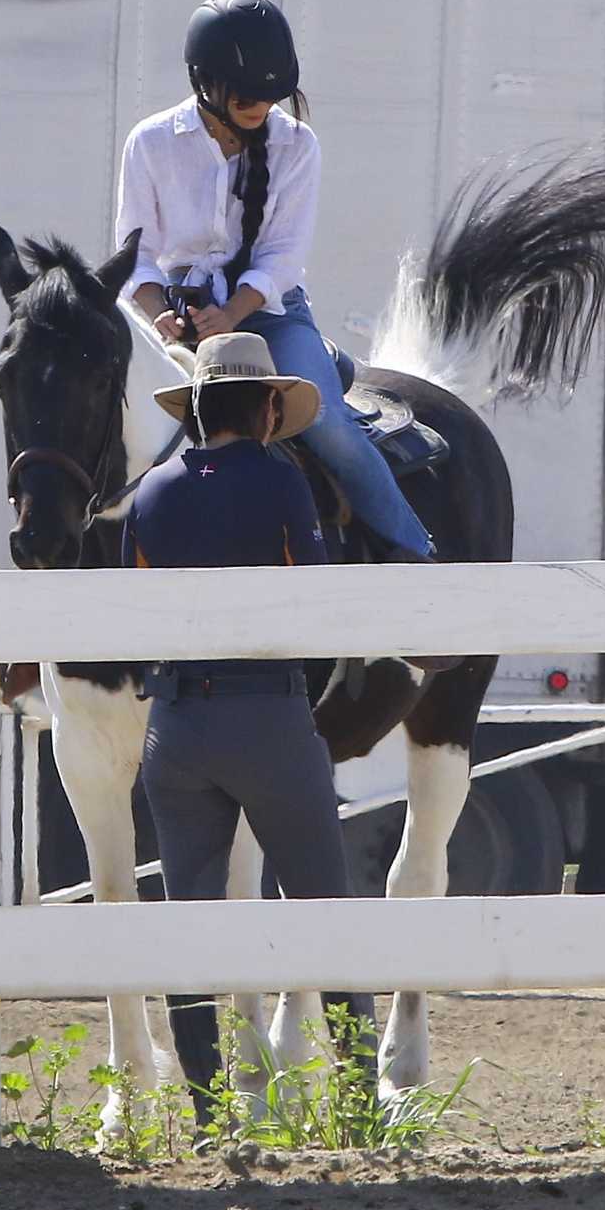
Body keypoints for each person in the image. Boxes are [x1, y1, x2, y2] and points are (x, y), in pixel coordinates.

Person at [122, 331, 377, 1125]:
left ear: (197, 408)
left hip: (176, 727)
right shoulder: (280, 483)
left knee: (189, 922)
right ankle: (362, 1100)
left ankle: (206, 1113)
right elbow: (313, 597)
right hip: (267, 717)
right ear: (270, 406)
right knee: (321, 904)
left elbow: (135, 606)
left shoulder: (152, 492)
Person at [116, 0, 434, 562]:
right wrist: (158, 310)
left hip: (268, 315)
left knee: (331, 427)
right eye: (246, 94)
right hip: (173, 320)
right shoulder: (150, 143)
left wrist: (229, 316)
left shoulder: (297, 145)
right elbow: (136, 253)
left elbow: (282, 258)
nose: (262, 105)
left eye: (270, 93)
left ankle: (416, 558)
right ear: (204, 83)